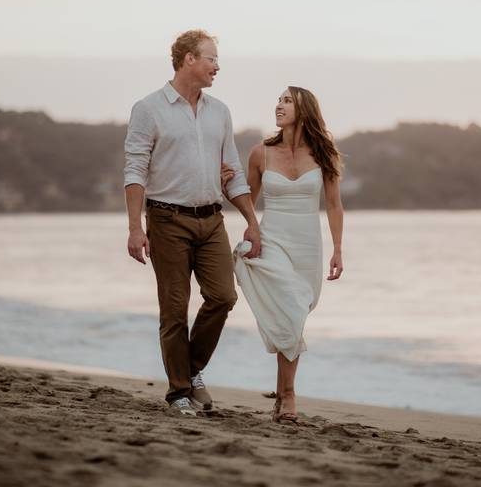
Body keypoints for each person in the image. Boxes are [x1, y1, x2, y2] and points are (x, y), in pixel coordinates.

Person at [124, 29, 261, 416]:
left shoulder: (220, 111)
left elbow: (232, 171)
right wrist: (136, 228)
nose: (218, 65)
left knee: (224, 297)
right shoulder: (149, 108)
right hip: (167, 220)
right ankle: (179, 392)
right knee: (174, 308)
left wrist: (252, 221)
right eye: (211, 58)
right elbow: (134, 170)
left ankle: (191, 369)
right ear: (187, 59)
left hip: (212, 219)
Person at [231, 86, 344, 423]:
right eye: (277, 100)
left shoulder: (324, 155)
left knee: (292, 317)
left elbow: (335, 205)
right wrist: (230, 190)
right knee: (290, 311)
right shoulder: (260, 153)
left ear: (304, 108)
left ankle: (280, 396)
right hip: (273, 239)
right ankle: (291, 397)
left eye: (287, 100)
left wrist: (338, 249)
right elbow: (247, 199)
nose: (278, 105)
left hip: (308, 245)